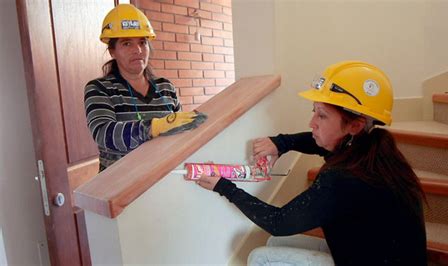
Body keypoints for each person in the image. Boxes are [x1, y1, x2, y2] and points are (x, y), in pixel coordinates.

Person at [196, 61, 427, 265]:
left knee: (260, 257)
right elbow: (317, 142)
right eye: (314, 112)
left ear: (354, 126)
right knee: (274, 244)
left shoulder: (345, 178)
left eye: (322, 116)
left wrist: (224, 187)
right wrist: (281, 143)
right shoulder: (369, 148)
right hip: (378, 254)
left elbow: (278, 221)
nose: (312, 122)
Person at [85, 4, 206, 171]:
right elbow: (104, 135)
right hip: (119, 186)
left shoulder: (165, 88)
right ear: (112, 51)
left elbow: (178, 134)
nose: (138, 50)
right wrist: (154, 127)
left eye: (143, 42)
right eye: (127, 43)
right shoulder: (99, 89)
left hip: (161, 179)